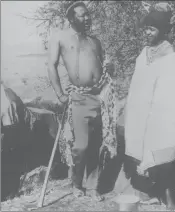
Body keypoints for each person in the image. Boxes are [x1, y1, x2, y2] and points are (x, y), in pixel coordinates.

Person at [47, 1, 117, 201]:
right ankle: (77, 183)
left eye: (88, 15)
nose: (88, 18)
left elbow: (103, 66)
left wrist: (109, 69)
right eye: (82, 15)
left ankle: (93, 186)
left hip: (100, 97)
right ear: (71, 19)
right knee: (81, 146)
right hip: (78, 98)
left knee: (96, 144)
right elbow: (51, 66)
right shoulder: (59, 37)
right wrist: (60, 94)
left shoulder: (95, 41)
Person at [124, 3, 175, 210]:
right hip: (142, 113)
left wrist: (155, 116)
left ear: (163, 30)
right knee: (145, 153)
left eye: (153, 28)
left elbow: (166, 92)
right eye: (146, 28)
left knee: (162, 155)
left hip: (159, 114)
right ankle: (150, 192)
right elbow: (138, 84)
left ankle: (171, 200)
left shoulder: (170, 55)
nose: (147, 32)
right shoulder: (145, 52)